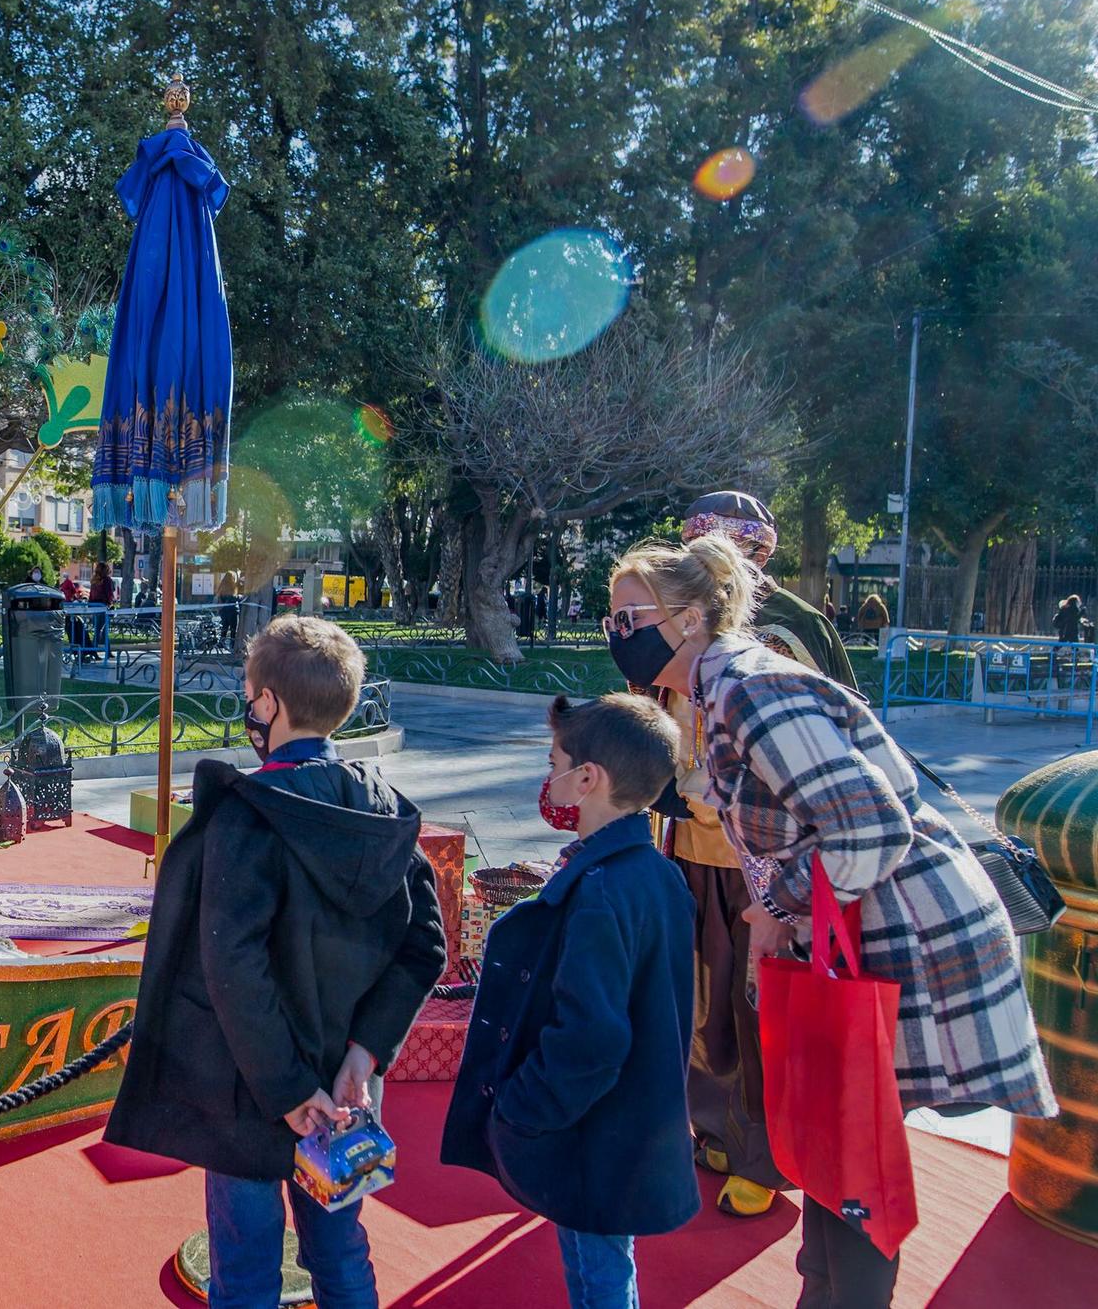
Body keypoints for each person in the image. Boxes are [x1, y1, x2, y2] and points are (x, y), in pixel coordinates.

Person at [607, 535, 1055, 1307]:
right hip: (857, 930)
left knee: (851, 1139)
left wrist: (776, 905)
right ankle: (826, 1289)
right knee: (830, 1129)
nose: (616, 633)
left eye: (629, 616)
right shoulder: (718, 692)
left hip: (902, 933)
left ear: (686, 616)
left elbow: (872, 826)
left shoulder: (748, 686)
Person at [105, 615, 445, 1309]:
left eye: (249, 692)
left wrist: (288, 1089)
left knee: (248, 1268)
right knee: (340, 1251)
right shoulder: (385, 811)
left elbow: (232, 965)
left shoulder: (249, 814)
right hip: (344, 1085)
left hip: (252, 1091)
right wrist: (365, 1052)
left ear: (269, 705)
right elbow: (424, 946)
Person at [442, 693, 697, 1309]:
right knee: (606, 1260)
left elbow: (590, 1039)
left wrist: (520, 1108)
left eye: (554, 760)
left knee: (600, 1272)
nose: (548, 773)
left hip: (592, 1131)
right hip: (626, 1123)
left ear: (588, 779)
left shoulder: (603, 891)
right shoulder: (657, 873)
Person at [666, 492, 856, 1218]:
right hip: (688, 838)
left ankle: (767, 1156)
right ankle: (713, 1126)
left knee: (760, 1008)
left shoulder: (794, 626)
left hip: (771, 858)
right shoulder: (673, 611)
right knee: (704, 1003)